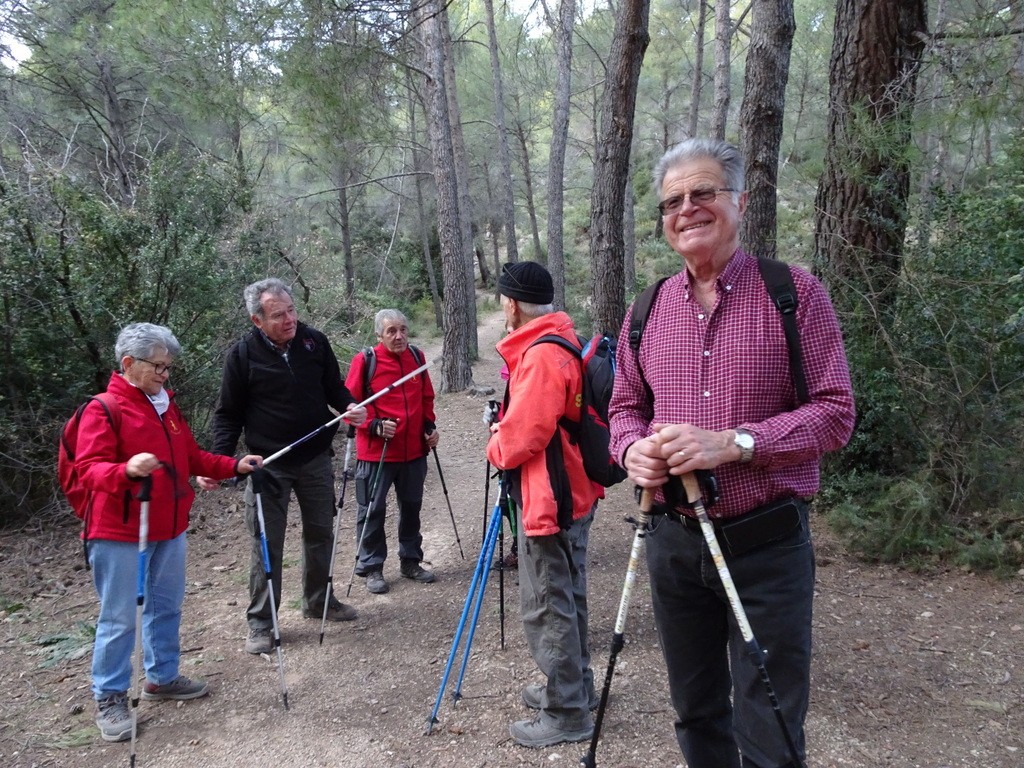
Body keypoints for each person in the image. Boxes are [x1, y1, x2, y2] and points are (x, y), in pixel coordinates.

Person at [608, 138, 856, 768]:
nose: (686, 208)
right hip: (672, 542)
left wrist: (737, 444)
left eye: (702, 193)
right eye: (672, 201)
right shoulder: (646, 310)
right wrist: (633, 449)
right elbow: (624, 411)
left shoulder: (793, 294)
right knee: (696, 713)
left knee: (769, 724)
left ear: (739, 202)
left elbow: (835, 413)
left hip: (767, 547)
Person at [76, 323, 263, 742]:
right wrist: (126, 469)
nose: (165, 374)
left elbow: (191, 457)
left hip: (170, 525)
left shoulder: (164, 404)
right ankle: (109, 696)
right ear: (129, 363)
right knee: (120, 616)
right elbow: (88, 470)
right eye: (158, 366)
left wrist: (232, 465)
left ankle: (161, 677)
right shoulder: (104, 408)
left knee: (166, 606)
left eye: (168, 367)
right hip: (120, 530)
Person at [198, 278, 367, 655]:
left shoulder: (313, 342)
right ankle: (262, 621)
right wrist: (221, 462)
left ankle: (319, 600)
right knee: (265, 544)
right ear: (257, 320)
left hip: (315, 458)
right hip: (267, 466)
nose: (289, 319)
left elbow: (333, 388)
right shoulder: (242, 355)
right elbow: (227, 414)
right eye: (278, 315)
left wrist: (350, 406)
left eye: (291, 310)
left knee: (321, 533)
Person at [485, 261, 600, 749]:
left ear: (512, 304)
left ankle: (567, 712)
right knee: (568, 593)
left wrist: (495, 443)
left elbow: (522, 438)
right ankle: (576, 687)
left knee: (549, 603)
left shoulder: (540, 356)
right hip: (571, 491)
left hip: (549, 498)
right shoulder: (562, 340)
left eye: (503, 302)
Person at [345, 309, 439, 594]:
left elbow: (426, 397)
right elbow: (349, 406)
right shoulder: (366, 361)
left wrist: (430, 426)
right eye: (391, 331)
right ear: (379, 335)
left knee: (411, 507)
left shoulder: (417, 358)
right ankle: (372, 567)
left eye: (403, 330)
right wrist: (373, 425)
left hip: (413, 451)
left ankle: (410, 561)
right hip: (377, 452)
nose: (399, 336)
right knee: (372, 509)